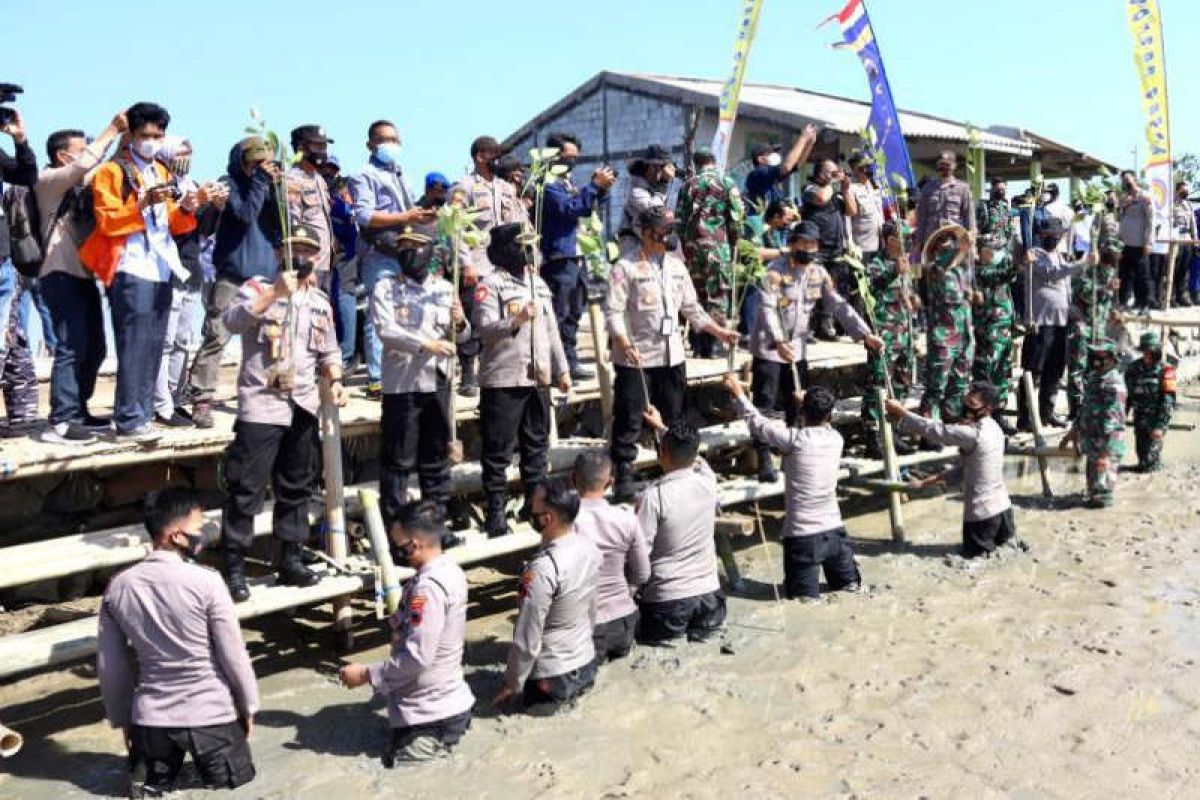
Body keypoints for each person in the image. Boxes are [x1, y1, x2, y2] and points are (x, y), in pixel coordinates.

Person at [97, 488, 258, 796]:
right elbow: (233, 653)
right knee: (235, 786)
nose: (204, 535)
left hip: (151, 721)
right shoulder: (208, 582)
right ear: (175, 535)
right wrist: (248, 705)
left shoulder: (118, 587)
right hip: (212, 717)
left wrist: (123, 719)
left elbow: (111, 666)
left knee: (148, 789)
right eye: (198, 529)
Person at [219, 224, 348, 601]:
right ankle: (235, 565)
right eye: (294, 250)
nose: (302, 257)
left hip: (304, 403)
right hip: (263, 404)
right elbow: (231, 321)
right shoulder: (257, 288)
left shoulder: (320, 301)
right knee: (247, 488)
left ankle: (290, 557)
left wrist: (336, 380)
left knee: (297, 486)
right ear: (278, 254)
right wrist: (275, 293)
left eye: (309, 250)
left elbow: (329, 351)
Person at [79, 101, 198, 444]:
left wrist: (191, 205)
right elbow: (108, 220)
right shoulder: (112, 172)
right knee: (133, 344)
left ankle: (142, 414)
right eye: (145, 134)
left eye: (158, 135)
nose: (152, 140)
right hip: (130, 265)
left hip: (161, 266)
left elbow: (173, 223)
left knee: (152, 345)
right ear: (130, 135)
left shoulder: (161, 172)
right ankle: (129, 418)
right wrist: (142, 203)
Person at [604, 206, 738, 500]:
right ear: (647, 232)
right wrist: (625, 344)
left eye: (671, 230)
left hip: (671, 356)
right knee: (630, 417)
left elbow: (692, 309)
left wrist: (719, 332)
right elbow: (612, 312)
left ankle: (673, 470)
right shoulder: (624, 267)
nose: (669, 236)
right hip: (637, 358)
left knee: (674, 415)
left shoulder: (677, 266)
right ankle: (624, 474)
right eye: (663, 230)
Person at [338, 511, 475, 766]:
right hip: (447, 707)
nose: (396, 552)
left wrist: (366, 674)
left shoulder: (427, 589)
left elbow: (416, 658)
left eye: (398, 546)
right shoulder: (450, 570)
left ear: (415, 545)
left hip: (430, 720)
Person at [751, 221, 881, 478]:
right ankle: (763, 457)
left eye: (813, 244)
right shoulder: (773, 272)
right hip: (769, 348)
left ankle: (790, 456)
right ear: (792, 244)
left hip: (797, 349)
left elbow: (838, 305)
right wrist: (778, 340)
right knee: (765, 404)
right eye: (804, 244)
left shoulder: (818, 273)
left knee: (796, 403)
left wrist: (864, 333)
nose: (809, 249)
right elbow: (767, 308)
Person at [724, 375, 863, 598]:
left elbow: (757, 423)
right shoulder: (836, 439)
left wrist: (738, 394)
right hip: (835, 534)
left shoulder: (793, 440)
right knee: (850, 588)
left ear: (802, 413)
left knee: (802, 599)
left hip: (803, 538)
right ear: (829, 415)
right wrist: (804, 407)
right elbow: (818, 426)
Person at [473, 222, 571, 536]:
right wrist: (515, 319)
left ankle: (536, 505)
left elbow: (552, 328)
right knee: (498, 450)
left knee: (536, 448)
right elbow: (483, 329)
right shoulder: (490, 284)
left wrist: (562, 369)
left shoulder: (536, 282)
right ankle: (496, 512)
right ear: (503, 251)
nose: (526, 251)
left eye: (529, 245)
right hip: (504, 379)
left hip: (537, 377)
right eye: (520, 245)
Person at [35, 113, 126, 444]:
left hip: (83, 274)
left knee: (95, 348)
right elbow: (84, 165)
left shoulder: (81, 184)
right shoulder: (49, 180)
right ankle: (60, 421)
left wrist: (124, 142)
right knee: (71, 344)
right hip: (58, 271)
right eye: (82, 147)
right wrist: (112, 129)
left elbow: (108, 170)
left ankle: (77, 410)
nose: (89, 150)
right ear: (63, 155)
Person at [372, 234, 470, 526]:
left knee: (437, 458)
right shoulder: (387, 287)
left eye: (416, 247)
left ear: (430, 251)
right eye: (403, 248)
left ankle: (435, 525)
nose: (409, 253)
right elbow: (385, 330)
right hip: (403, 383)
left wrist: (459, 321)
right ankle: (397, 529)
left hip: (438, 380)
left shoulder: (444, 288)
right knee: (398, 461)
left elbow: (463, 335)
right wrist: (426, 344)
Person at [190, 136, 283, 429]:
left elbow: (284, 225)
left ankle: (272, 391)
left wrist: (277, 187)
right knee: (217, 335)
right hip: (232, 275)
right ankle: (202, 398)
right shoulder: (227, 184)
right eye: (253, 162)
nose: (259, 167)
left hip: (265, 277)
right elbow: (245, 214)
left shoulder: (270, 185)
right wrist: (258, 182)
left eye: (263, 161)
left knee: (271, 339)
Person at [492, 479, 601, 713]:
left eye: (533, 510)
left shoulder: (541, 569)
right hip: (587, 663)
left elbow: (528, 638)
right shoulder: (590, 549)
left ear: (547, 518)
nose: (529, 513)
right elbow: (592, 609)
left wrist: (511, 683)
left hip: (551, 679)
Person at [351, 120, 438, 398]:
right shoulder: (363, 175)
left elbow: (408, 211)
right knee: (379, 312)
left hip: (404, 251)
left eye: (395, 140)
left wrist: (422, 216)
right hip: (379, 252)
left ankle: (399, 370)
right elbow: (365, 216)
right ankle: (376, 377)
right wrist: (406, 217)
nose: (391, 145)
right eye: (384, 140)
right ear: (370, 144)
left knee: (404, 310)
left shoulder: (401, 174)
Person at [887, 381, 1015, 559]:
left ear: (987, 409)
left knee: (974, 564)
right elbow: (966, 470)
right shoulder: (995, 428)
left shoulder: (972, 434)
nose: (966, 405)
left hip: (981, 517)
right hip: (1003, 511)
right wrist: (925, 482)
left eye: (972, 404)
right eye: (967, 398)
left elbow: (936, 430)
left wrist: (902, 413)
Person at [636, 410, 726, 643]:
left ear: (662, 453)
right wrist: (662, 427)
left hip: (667, 602)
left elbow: (640, 555)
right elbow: (693, 455)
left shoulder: (653, 497)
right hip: (710, 599)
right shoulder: (708, 481)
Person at [154, 135, 220, 428]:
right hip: (168, 269)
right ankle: (160, 403)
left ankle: (176, 397)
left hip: (192, 269)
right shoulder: (159, 185)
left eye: (190, 152)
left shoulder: (190, 185)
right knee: (165, 341)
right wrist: (191, 205)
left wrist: (214, 207)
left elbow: (202, 231)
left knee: (183, 340)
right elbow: (166, 224)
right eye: (181, 152)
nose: (186, 157)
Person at [539, 132, 615, 380]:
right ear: (554, 156)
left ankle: (569, 363)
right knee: (559, 314)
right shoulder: (547, 184)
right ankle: (556, 367)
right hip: (558, 257)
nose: (572, 163)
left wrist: (601, 190)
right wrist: (593, 185)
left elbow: (586, 208)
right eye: (567, 157)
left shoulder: (567, 183)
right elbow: (570, 209)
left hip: (578, 253)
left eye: (575, 159)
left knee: (574, 312)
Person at [571, 450, 650, 664]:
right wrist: (625, 593)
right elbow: (643, 573)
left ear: (573, 479)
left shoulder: (565, 524)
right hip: (625, 623)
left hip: (585, 628)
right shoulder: (627, 519)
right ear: (611, 482)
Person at [675, 147, 745, 357]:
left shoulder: (688, 185)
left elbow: (680, 219)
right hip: (718, 247)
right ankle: (714, 345)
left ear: (696, 163)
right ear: (714, 161)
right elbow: (736, 217)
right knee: (717, 294)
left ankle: (698, 345)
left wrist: (686, 244)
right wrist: (735, 242)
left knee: (696, 295)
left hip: (694, 248)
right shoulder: (727, 183)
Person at [861, 222, 917, 456]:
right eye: (903, 238)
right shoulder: (876, 263)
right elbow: (872, 287)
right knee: (878, 384)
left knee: (902, 384)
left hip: (904, 333)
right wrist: (894, 270)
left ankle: (892, 432)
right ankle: (874, 436)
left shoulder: (905, 263)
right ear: (890, 239)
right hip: (883, 333)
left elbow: (905, 293)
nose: (908, 243)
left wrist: (913, 299)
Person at [917, 224, 974, 432]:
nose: (949, 244)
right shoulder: (934, 268)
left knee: (959, 384)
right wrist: (961, 246)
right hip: (943, 336)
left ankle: (951, 424)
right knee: (936, 386)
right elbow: (947, 260)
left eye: (951, 240)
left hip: (963, 334)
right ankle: (928, 433)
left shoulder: (961, 270)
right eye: (943, 241)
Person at [1020, 218, 1075, 429]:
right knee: (1033, 370)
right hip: (1040, 322)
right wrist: (1082, 263)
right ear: (1042, 236)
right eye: (1049, 235)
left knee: (1054, 370)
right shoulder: (1035, 255)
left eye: (1057, 234)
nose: (1054, 238)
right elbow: (1052, 274)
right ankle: (1025, 418)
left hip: (1061, 322)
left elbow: (1066, 288)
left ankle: (1046, 413)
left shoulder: (1061, 257)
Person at [1063, 340, 1126, 508]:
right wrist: (1073, 432)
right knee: (1093, 491)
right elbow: (1085, 409)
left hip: (1107, 445)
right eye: (1095, 355)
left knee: (1102, 495)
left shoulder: (1114, 385)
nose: (1097, 359)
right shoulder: (1094, 379)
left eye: (1102, 356)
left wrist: (1105, 455)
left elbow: (1112, 422)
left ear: (1112, 359)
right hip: (1092, 443)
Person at [800, 158, 858, 339]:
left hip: (836, 248)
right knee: (811, 289)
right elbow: (821, 198)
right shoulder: (810, 189)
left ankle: (825, 327)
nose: (835, 174)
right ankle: (806, 329)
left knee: (831, 290)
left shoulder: (836, 194)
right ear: (819, 174)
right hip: (816, 248)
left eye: (836, 171)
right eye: (830, 172)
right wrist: (834, 182)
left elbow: (852, 211)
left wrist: (847, 189)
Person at [1065, 243, 1121, 419]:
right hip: (1084, 328)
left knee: (1096, 369)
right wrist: (1105, 289)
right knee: (1078, 369)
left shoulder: (1111, 272)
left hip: (1100, 329)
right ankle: (1076, 409)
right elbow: (1083, 293)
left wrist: (1114, 310)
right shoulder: (1089, 270)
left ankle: (1091, 406)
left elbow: (1108, 301)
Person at [971, 240, 1019, 436]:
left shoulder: (1000, 270)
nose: (995, 254)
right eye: (992, 250)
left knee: (1002, 375)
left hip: (1004, 330)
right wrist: (1018, 266)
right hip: (989, 332)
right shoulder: (979, 272)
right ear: (982, 252)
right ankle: (982, 416)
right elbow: (999, 276)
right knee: (986, 376)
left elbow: (1007, 291)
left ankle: (998, 413)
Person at [285, 125, 335, 288]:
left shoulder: (319, 179)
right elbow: (294, 226)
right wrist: (303, 267)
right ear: (302, 148)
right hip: (307, 266)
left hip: (324, 263)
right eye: (317, 146)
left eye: (324, 146)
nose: (322, 151)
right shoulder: (292, 180)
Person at [1125, 331, 1175, 473]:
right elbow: (1128, 394)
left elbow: (1168, 400)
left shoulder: (1166, 370)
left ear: (1156, 351)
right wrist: (1123, 414)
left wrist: (1160, 426)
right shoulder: (1133, 368)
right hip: (1139, 418)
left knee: (1151, 461)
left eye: (1150, 351)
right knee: (1141, 458)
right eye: (1144, 351)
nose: (1147, 355)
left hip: (1156, 419)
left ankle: (1155, 483)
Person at [912, 150, 975, 260]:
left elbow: (969, 217)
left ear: (954, 166)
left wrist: (972, 243)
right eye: (941, 164)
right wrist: (918, 245)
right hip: (932, 242)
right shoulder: (928, 189)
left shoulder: (963, 188)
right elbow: (922, 219)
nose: (944, 167)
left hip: (955, 242)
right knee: (932, 274)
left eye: (947, 164)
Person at [742, 124, 818, 210]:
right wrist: (803, 138)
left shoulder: (771, 176)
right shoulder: (759, 173)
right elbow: (787, 167)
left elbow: (798, 164)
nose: (776, 155)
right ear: (761, 159)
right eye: (770, 153)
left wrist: (809, 143)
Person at [618, 144, 675, 253]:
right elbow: (656, 212)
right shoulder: (636, 189)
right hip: (633, 245)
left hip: (650, 243)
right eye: (661, 167)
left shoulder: (654, 188)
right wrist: (663, 183)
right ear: (651, 167)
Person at [1117, 169, 1155, 310]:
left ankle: (1144, 303)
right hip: (1125, 243)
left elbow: (1150, 220)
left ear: (1135, 179)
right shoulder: (1123, 198)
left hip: (1140, 243)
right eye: (1123, 180)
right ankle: (1124, 302)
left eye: (1128, 179)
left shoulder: (1145, 196)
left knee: (1142, 275)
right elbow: (1119, 219)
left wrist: (1148, 242)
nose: (1126, 182)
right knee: (1126, 275)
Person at [846, 150, 884, 263]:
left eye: (869, 166)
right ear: (855, 168)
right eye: (863, 167)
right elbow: (847, 219)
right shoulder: (850, 189)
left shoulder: (875, 186)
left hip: (878, 245)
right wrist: (849, 244)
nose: (867, 170)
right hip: (861, 247)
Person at [1169, 181, 1197, 306]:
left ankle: (1181, 295)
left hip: (1187, 239)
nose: (1186, 192)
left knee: (1184, 269)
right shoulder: (1171, 204)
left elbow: (1193, 224)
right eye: (1183, 190)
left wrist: (1195, 240)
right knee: (1175, 268)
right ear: (1177, 190)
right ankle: (1171, 296)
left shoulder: (1189, 205)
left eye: (1187, 190)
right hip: (1176, 238)